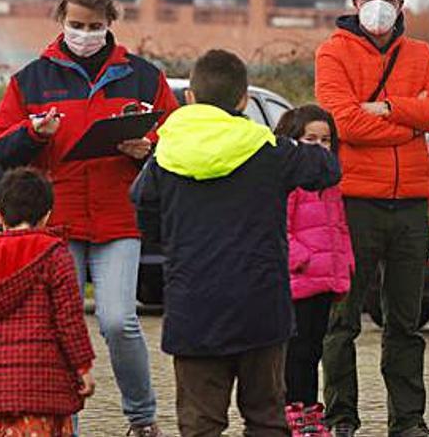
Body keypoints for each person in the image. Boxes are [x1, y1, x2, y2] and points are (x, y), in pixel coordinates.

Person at [0, 0, 175, 437]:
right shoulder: (31, 80)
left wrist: (149, 146)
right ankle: (62, 420)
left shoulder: (145, 77)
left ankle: (143, 418)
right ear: (62, 20)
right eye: (76, 24)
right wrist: (33, 134)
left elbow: (177, 137)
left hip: (118, 218)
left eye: (93, 24)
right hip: (56, 222)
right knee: (56, 327)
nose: (84, 33)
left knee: (118, 321)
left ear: (110, 21)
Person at [131, 50, 341, 437]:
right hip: (260, 308)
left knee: (200, 423)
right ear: (243, 100)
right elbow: (327, 169)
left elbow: (142, 205)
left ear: (190, 98)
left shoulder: (165, 156)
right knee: (265, 418)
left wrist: (173, 240)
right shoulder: (270, 151)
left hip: (193, 309)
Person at [315, 0, 429, 437]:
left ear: (401, 5)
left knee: (406, 323)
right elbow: (346, 124)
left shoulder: (420, 52)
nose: (378, 4)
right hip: (354, 202)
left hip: (411, 203)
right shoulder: (332, 53)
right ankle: (340, 419)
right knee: (342, 321)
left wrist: (392, 108)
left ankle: (409, 421)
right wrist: (413, 122)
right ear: (354, 3)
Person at [0, 167, 96, 436]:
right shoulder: (54, 255)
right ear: (47, 216)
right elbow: (69, 321)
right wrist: (83, 368)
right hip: (42, 390)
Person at [274, 105, 356, 434]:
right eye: (310, 139)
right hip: (298, 279)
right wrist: (302, 258)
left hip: (324, 281)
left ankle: (308, 411)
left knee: (312, 349)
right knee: (296, 352)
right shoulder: (290, 180)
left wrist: (344, 263)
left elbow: (339, 228)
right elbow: (279, 228)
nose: (319, 146)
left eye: (325, 140)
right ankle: (293, 412)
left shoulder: (330, 182)